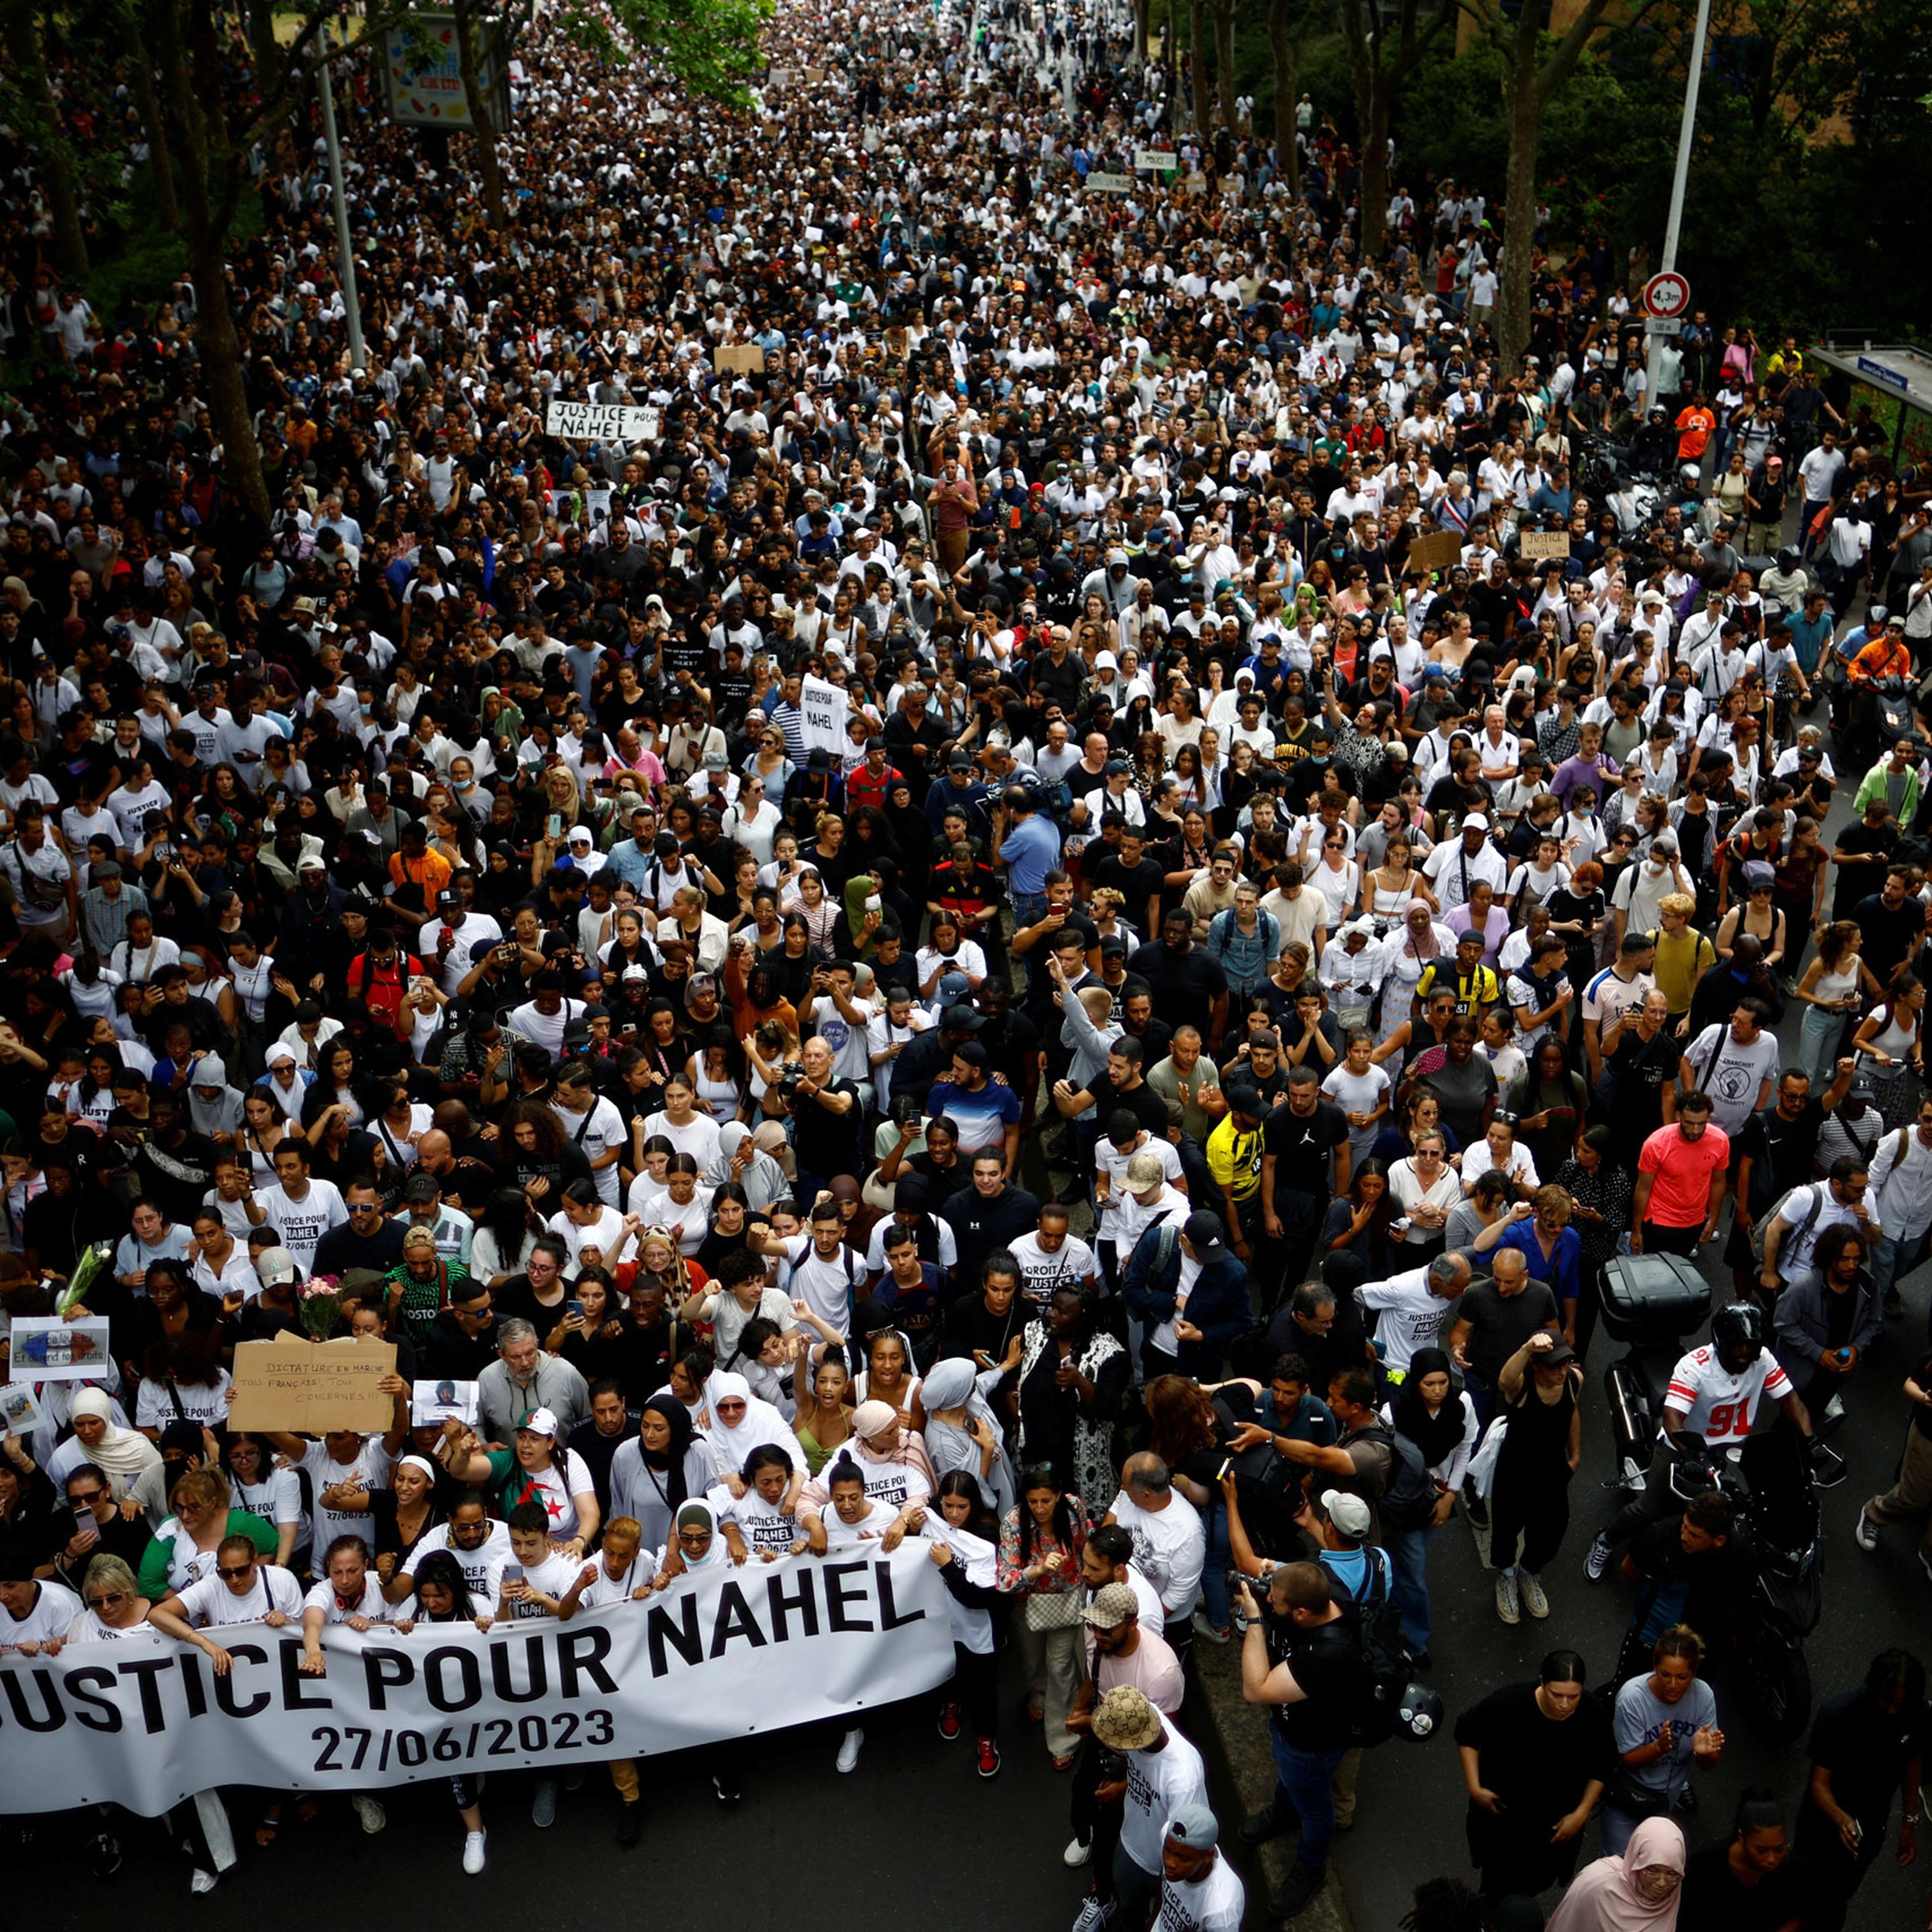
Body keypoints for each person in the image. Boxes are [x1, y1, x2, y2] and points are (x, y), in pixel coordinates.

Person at [1235, 1562, 1366, 1919]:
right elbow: (1299, 1573)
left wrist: (1255, 1621)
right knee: (1292, 1780)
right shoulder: (1327, 1589)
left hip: (1312, 1744)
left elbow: (1256, 1689)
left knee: (1315, 1805)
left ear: (1303, 1612)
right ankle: (1285, 1806)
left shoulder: (1329, 1654)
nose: (1269, 1603)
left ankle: (1312, 1867)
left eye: (1275, 1602)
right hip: (1291, 1726)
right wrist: (1273, 1569)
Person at [1454, 1649, 1614, 1911]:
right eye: (1556, 1695)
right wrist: (1475, 1787)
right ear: (1542, 1683)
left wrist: (1582, 1813)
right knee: (1495, 1890)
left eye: (1573, 1697)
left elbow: (1604, 1764)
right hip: (1504, 1822)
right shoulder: (1508, 1703)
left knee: (1534, 1885)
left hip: (1553, 1829)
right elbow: (1467, 1733)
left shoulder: (1593, 1714)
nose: (1564, 1704)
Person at [1791, 1649, 1926, 1932]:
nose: (1891, 1710)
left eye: (1898, 1705)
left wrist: (1909, 1822)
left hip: (1870, 1828)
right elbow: (1819, 1783)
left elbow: (1913, 1761)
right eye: (1886, 1701)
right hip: (1821, 1825)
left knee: (1837, 1900)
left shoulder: (1916, 1713)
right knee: (1802, 1893)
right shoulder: (1838, 1713)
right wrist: (1841, 1818)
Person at [1603, 1627, 1726, 1857]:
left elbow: (1709, 1765)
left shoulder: (1703, 1696)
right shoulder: (1632, 1698)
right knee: (1616, 1863)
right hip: (1628, 1795)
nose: (1672, 1685)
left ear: (1694, 1672)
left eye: (1682, 1677)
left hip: (1666, 1798)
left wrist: (1706, 1753)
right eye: (1665, 1675)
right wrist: (1657, 1749)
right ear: (1654, 1666)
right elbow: (1627, 1759)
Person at [1487, 1331, 1582, 1626]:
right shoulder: (1521, 1385)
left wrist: (1575, 1457)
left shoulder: (1573, 1380)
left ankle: (1529, 1573)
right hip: (1515, 1471)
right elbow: (1504, 1380)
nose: (1562, 1371)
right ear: (1536, 1367)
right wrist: (1527, 1347)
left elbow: (1573, 1413)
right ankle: (1505, 1577)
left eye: (1565, 1364)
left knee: (1551, 1529)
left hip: (1553, 1470)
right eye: (1554, 1366)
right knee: (1507, 1527)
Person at [1679, 1788, 1803, 1932]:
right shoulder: (1705, 1864)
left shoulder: (1791, 1870)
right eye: (1762, 1851)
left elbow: (1795, 1917)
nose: (1772, 1859)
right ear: (1742, 1837)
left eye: (1779, 1849)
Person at [1544, 1821, 1687, 1932]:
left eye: (1672, 1874)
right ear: (1636, 1861)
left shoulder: (1675, 1895)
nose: (1662, 1883)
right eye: (1652, 1871)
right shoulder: (1594, 1883)